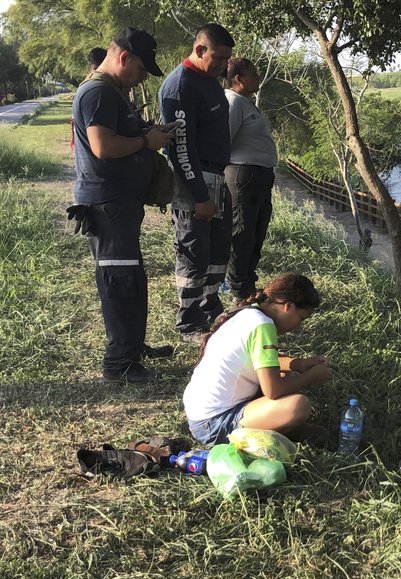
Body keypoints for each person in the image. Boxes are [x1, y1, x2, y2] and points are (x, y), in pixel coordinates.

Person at [70, 28, 176, 384]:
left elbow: (123, 134)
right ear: (124, 58)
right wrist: (147, 140)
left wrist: (152, 131)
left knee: (131, 277)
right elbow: (102, 146)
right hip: (108, 203)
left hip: (121, 203)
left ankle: (132, 348)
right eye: (143, 69)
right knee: (119, 281)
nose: (143, 77)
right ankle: (119, 365)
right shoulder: (98, 92)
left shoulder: (113, 92)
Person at [182, 273, 333, 445]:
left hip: (201, 417)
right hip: (214, 423)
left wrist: (299, 364)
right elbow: (273, 390)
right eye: (301, 319)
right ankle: (272, 433)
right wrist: (310, 378)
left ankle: (282, 429)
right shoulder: (263, 326)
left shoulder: (250, 312)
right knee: (299, 405)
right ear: (288, 306)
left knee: (285, 374)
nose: (298, 326)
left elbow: (260, 359)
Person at [159, 23, 235, 343]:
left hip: (217, 175)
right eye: (217, 58)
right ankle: (188, 320)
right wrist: (200, 195)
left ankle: (210, 306)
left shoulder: (209, 80)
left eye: (226, 61)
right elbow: (181, 148)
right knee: (193, 250)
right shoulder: (180, 86)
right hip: (194, 180)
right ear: (200, 49)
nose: (222, 66)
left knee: (218, 247)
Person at [224, 57, 277, 302]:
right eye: (253, 74)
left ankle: (247, 280)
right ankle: (238, 288)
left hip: (260, 176)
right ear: (238, 79)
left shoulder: (246, 102)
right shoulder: (233, 102)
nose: (257, 78)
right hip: (244, 175)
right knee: (242, 230)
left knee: (257, 229)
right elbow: (225, 141)